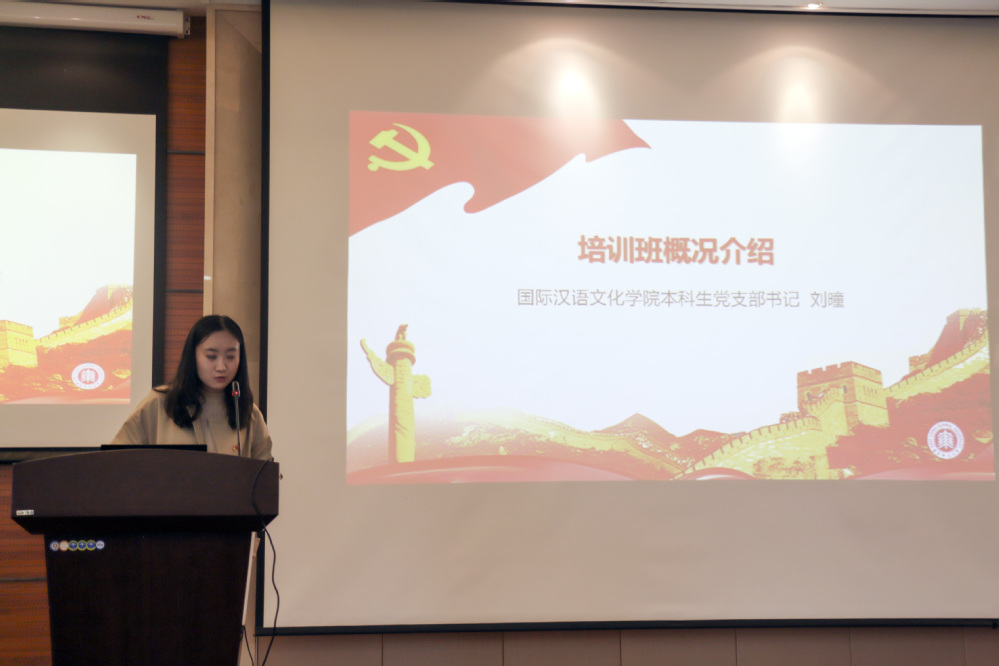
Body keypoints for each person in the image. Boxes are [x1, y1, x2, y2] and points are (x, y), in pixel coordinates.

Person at [111, 314, 273, 460]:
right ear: (193, 356)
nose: (221, 366)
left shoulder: (247, 412)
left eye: (231, 357)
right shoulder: (159, 404)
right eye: (211, 356)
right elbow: (116, 462)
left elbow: (265, 475)